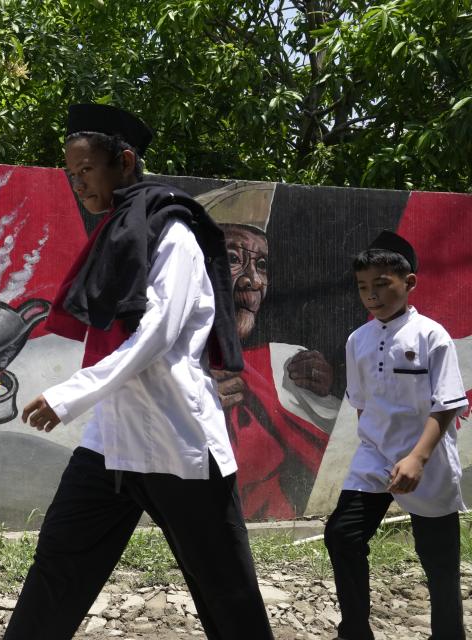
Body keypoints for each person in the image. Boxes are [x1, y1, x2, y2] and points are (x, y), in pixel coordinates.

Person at [3, 103, 273, 640]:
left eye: (87, 170)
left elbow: (157, 335)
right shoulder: (117, 233)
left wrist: (71, 394)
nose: (78, 184)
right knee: (59, 564)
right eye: (70, 174)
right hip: (113, 441)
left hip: (177, 443)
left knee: (225, 591)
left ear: (125, 162)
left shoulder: (173, 234)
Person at [325, 230, 467, 640]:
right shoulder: (358, 340)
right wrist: (372, 448)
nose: (372, 295)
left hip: (428, 461)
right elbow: (361, 403)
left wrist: (418, 457)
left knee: (438, 562)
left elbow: (448, 403)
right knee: (341, 535)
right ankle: (354, 631)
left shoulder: (431, 335)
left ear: (409, 283)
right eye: (363, 287)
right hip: (375, 460)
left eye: (382, 284)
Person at [197, 182, 337, 519]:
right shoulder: (155, 358)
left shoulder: (277, 367)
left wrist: (323, 393)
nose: (254, 281)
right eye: (232, 259)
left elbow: (344, 446)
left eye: (261, 265)